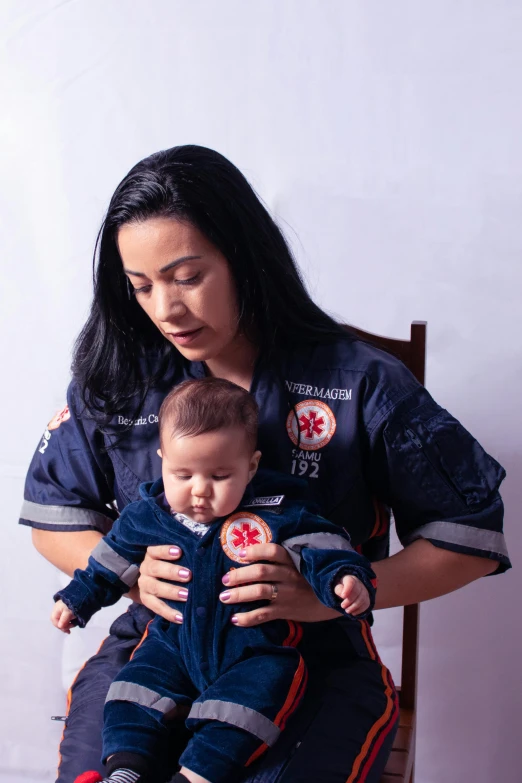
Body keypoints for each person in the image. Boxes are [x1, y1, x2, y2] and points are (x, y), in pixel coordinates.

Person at [21, 144, 510, 783]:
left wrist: (332, 596)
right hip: (156, 647)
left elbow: (467, 538)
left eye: (187, 276)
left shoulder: (360, 382)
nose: (165, 309)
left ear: (243, 259)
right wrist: (134, 578)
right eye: (142, 286)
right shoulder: (120, 379)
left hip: (312, 662)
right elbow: (56, 518)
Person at [52, 377, 376, 783]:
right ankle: (125, 772)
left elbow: (324, 547)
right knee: (130, 691)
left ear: (251, 466)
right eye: (183, 474)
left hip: (253, 649)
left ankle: (194, 777)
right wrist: (77, 599)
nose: (199, 491)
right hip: (171, 643)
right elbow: (107, 563)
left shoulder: (278, 511)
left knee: (248, 709)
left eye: (220, 476)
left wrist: (344, 579)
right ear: (162, 460)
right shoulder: (150, 515)